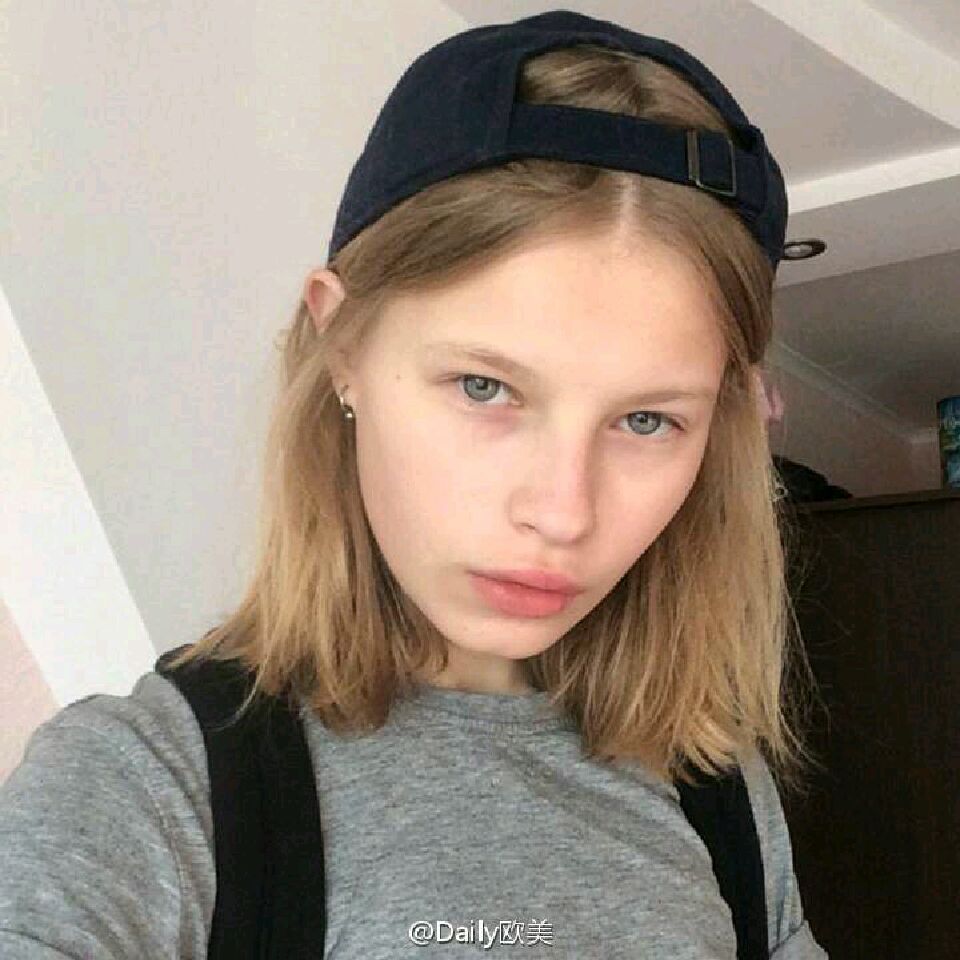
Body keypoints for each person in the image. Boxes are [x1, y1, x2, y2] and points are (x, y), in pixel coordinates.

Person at [0, 9, 829, 958]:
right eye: (485, 387)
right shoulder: (143, 793)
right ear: (340, 344)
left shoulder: (718, 788)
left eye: (647, 421)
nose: (562, 512)